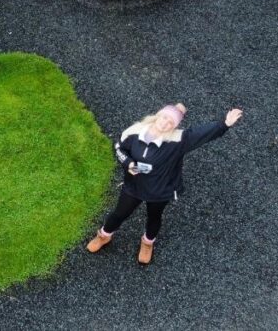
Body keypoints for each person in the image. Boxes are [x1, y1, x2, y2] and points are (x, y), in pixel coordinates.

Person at [86, 103, 243, 265]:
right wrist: (128, 163)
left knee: (154, 217)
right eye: (165, 118)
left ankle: (147, 243)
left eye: (171, 122)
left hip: (160, 190)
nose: (166, 123)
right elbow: (119, 147)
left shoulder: (179, 139)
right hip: (134, 186)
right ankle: (104, 236)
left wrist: (224, 124)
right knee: (119, 214)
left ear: (175, 126)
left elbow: (202, 134)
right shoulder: (134, 131)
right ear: (158, 115)